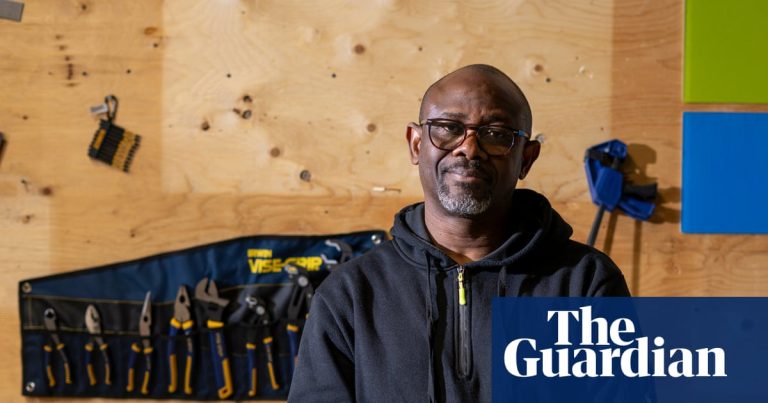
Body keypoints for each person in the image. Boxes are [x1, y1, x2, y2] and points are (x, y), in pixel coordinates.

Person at [287, 64, 630, 402]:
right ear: (416, 144)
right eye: (449, 128)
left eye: (496, 134)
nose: (469, 148)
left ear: (526, 158)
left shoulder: (585, 283)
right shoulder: (350, 294)